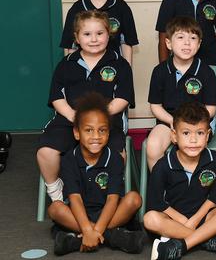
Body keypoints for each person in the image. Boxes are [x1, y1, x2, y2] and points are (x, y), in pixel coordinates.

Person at [37, 10, 134, 204]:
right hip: (70, 119)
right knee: (45, 152)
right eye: (87, 34)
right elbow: (57, 98)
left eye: (100, 33)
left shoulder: (120, 65)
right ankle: (57, 193)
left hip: (108, 121)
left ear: (109, 34)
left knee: (117, 154)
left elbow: (122, 99)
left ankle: (107, 193)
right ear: (77, 38)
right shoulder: (66, 65)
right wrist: (74, 117)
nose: (94, 39)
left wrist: (98, 117)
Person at [48, 92, 144, 256]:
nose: (95, 136)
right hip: (79, 215)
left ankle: (81, 239)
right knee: (55, 208)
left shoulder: (114, 158)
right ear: (77, 133)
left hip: (110, 212)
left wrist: (96, 230)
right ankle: (111, 236)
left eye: (102, 130)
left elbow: (112, 199)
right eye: (89, 130)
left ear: (108, 133)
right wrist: (87, 228)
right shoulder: (69, 159)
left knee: (134, 199)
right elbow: (75, 198)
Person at [144, 101, 216, 260]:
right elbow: (156, 203)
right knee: (150, 219)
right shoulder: (163, 165)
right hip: (174, 220)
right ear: (174, 136)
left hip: (205, 218)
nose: (193, 140)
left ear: (208, 135)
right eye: (186, 133)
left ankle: (181, 245)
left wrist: (194, 221)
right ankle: (208, 241)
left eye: (200, 133)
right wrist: (182, 220)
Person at [146, 16, 216, 170]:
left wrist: (191, 125)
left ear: (199, 44)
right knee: (153, 145)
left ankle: (191, 186)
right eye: (180, 37)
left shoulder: (206, 72)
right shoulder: (159, 71)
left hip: (197, 124)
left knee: (190, 144)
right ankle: (162, 189)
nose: (187, 43)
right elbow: (155, 106)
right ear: (168, 43)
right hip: (169, 122)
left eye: (193, 38)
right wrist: (173, 121)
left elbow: (211, 109)